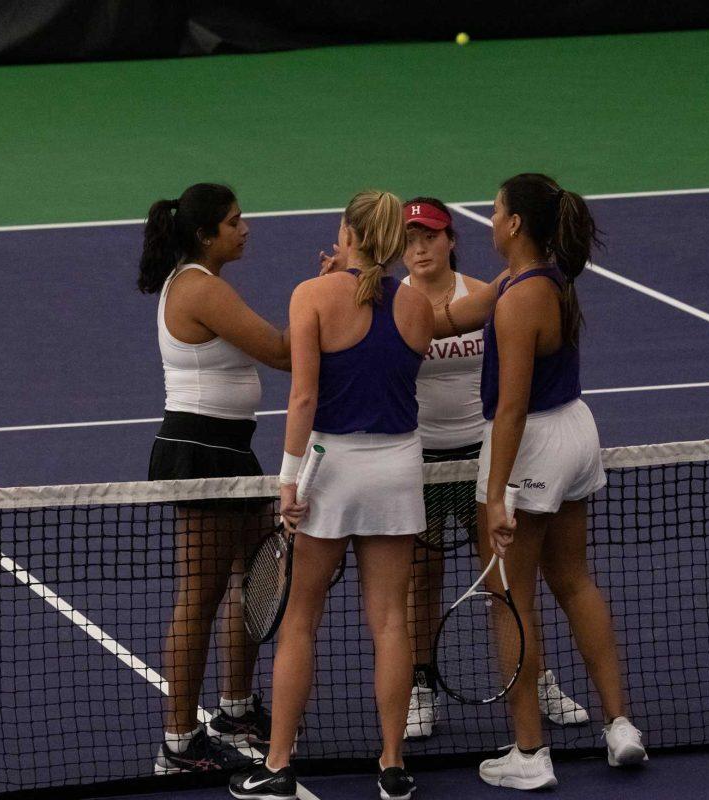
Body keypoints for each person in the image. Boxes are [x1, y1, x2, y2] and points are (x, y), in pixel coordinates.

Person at [437, 174, 648, 789]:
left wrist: (497, 494)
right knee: (573, 579)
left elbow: (510, 407)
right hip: (577, 433)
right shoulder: (539, 280)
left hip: (531, 443)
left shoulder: (516, 299)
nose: (489, 221)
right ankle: (620, 727)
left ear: (515, 225)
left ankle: (530, 753)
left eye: (496, 211)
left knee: (509, 597)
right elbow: (449, 318)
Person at [229, 190, 432, 800]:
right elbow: (383, 359)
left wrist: (288, 477)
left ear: (346, 232)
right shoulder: (419, 306)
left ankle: (278, 763)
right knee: (392, 621)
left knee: (299, 621)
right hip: (398, 467)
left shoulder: (310, 296)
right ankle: (393, 766)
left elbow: (305, 397)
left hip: (330, 470)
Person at [397, 198, 589, 741]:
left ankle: (539, 679)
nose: (420, 247)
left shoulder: (486, 293)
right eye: (411, 238)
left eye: (430, 236)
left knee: (507, 580)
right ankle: (420, 685)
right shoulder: (395, 304)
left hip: (482, 454)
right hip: (423, 459)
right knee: (421, 577)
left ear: (450, 240)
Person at [138, 183, 291, 775]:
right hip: (198, 454)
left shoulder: (202, 281)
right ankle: (178, 742)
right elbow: (279, 349)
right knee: (199, 598)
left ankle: (234, 708)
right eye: (234, 222)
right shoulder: (201, 288)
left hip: (229, 450)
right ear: (206, 235)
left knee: (258, 574)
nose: (245, 228)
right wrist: (348, 322)